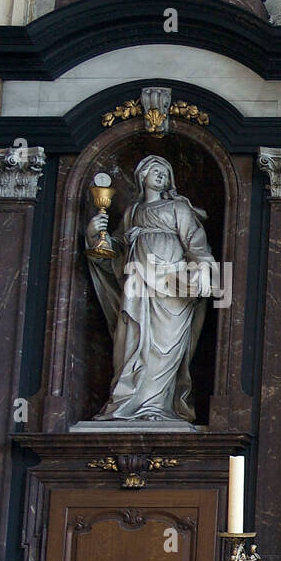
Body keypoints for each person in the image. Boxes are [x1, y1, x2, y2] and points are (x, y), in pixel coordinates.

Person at [85, 154, 216, 422]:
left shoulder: (178, 209)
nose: (161, 176)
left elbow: (197, 245)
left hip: (171, 291)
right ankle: (126, 405)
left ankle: (157, 407)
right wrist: (95, 235)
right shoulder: (132, 212)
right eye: (155, 171)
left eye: (165, 173)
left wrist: (203, 270)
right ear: (141, 176)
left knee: (164, 348)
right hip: (137, 287)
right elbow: (114, 254)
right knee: (131, 343)